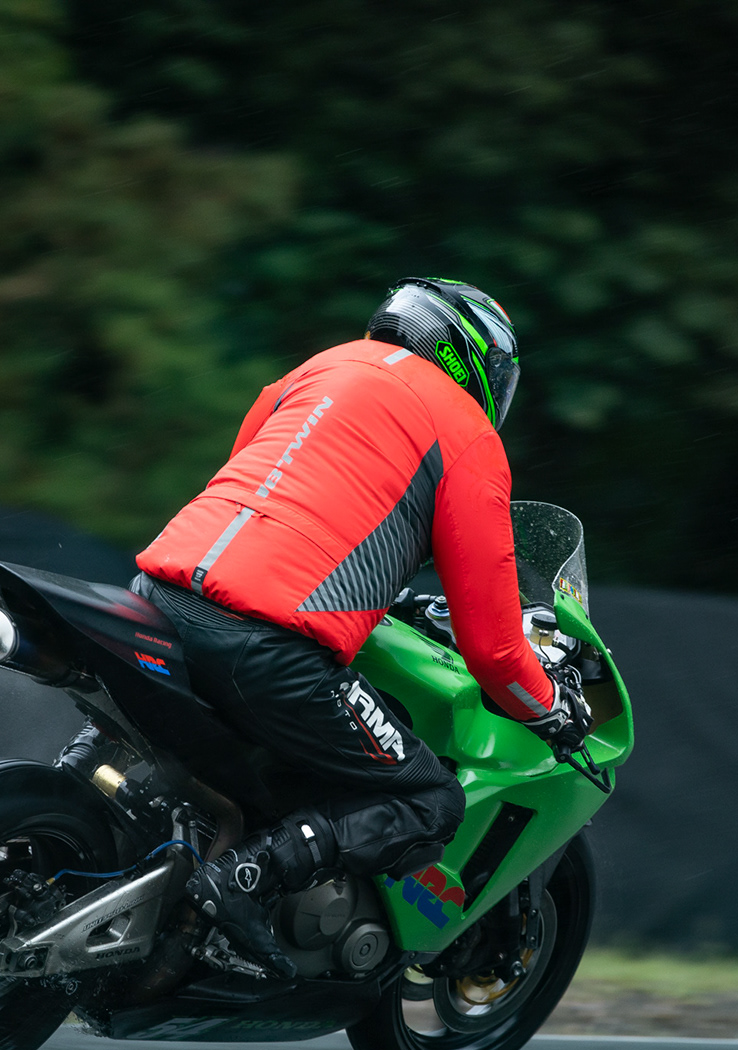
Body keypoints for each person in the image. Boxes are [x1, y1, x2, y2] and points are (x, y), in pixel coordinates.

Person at [132, 277, 594, 975]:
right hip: (267, 644)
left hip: (153, 594)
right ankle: (240, 881)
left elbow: (260, 486)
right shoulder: (467, 434)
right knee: (428, 798)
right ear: (472, 360)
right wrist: (552, 707)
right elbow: (496, 651)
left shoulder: (315, 369)